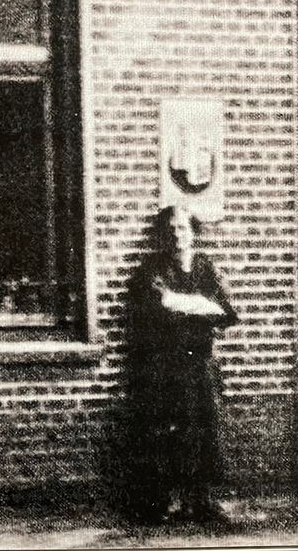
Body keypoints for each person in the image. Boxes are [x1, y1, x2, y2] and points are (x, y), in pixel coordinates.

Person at [126, 205, 239, 525]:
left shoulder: (207, 267)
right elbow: (159, 305)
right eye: (172, 229)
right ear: (163, 235)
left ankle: (201, 499)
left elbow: (226, 311)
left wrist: (186, 305)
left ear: (193, 232)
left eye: (183, 228)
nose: (178, 235)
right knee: (168, 430)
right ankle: (167, 499)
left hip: (200, 362)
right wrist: (200, 305)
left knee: (204, 428)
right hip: (166, 363)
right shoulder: (154, 268)